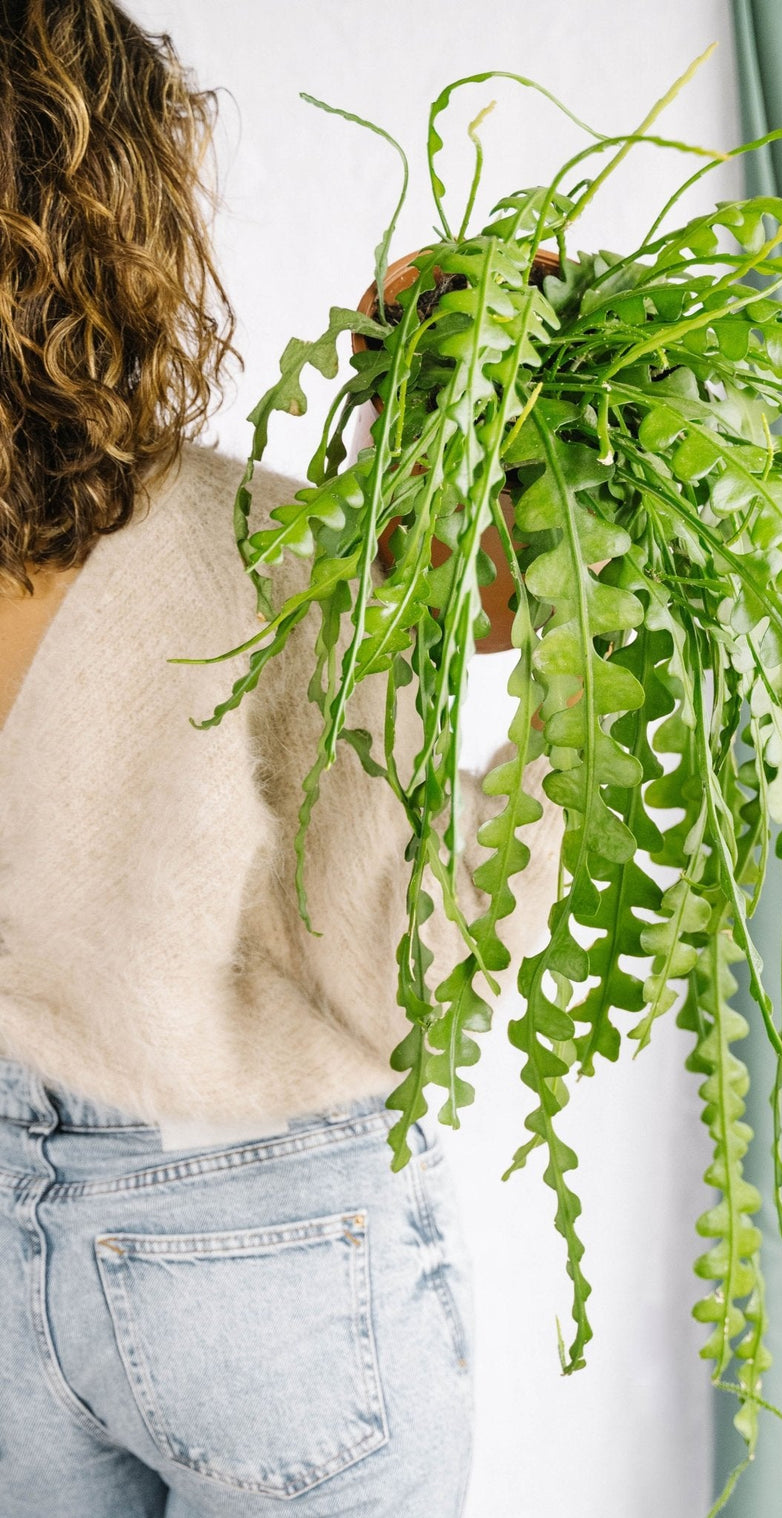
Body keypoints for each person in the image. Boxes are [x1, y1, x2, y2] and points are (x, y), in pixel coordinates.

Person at [0, 4, 561, 1514]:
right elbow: (395, 979)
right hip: (260, 1262)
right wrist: (579, 699)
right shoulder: (259, 552)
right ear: (118, 215)